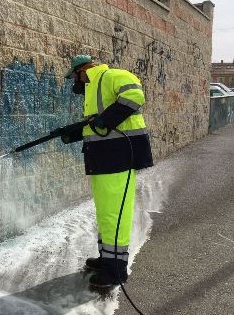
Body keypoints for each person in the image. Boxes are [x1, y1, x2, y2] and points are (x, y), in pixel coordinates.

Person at [60, 55, 154, 287]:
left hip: (120, 155)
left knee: (116, 216)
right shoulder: (94, 91)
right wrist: (71, 133)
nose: (75, 83)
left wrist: (106, 120)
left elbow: (134, 95)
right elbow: (96, 125)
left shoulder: (112, 76)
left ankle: (116, 271)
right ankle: (107, 259)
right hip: (104, 159)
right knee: (105, 214)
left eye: (75, 77)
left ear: (82, 70)